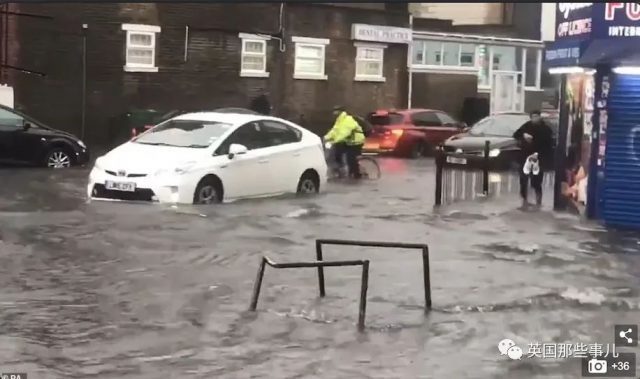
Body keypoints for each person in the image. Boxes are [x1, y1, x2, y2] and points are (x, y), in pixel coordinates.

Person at [513, 110, 554, 208]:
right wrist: (523, 136)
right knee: (523, 178)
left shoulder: (545, 129)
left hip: (538, 157)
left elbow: (548, 144)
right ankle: (524, 199)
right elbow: (516, 134)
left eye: (536, 116)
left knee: (536, 179)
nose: (535, 118)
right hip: (525, 156)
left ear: (540, 117)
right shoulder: (526, 126)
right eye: (533, 116)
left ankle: (538, 200)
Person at [324, 105, 365, 179]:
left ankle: (356, 174)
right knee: (337, 152)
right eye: (334, 111)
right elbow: (335, 130)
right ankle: (340, 169)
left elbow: (344, 133)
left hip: (356, 142)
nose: (334, 113)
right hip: (348, 141)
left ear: (340, 112)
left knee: (350, 157)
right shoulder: (339, 120)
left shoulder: (348, 120)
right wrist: (326, 137)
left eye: (336, 111)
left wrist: (335, 141)